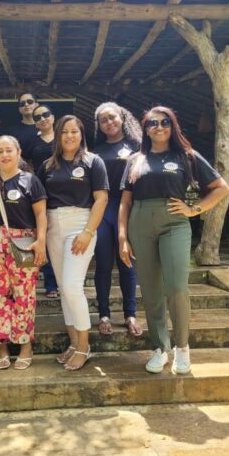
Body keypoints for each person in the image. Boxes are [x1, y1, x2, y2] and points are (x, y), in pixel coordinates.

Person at [119, 106, 229, 375]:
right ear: (145, 129)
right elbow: (125, 202)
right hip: (140, 222)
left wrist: (194, 209)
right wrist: (122, 237)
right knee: (151, 289)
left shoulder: (186, 156)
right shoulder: (136, 159)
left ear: (173, 125)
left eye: (165, 121)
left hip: (174, 223)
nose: (159, 127)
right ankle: (160, 347)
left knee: (177, 287)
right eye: (152, 123)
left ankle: (182, 347)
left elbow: (221, 188)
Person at [38, 115, 108, 371]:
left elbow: (101, 199)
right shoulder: (47, 165)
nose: (69, 136)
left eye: (74, 131)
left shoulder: (93, 162)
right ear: (57, 135)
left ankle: (84, 346)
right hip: (54, 225)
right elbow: (40, 203)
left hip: (81, 224)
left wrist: (88, 231)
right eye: (64, 132)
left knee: (71, 286)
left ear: (81, 135)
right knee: (63, 288)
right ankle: (72, 342)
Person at [0, 135, 47, 369]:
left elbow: (40, 213)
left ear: (18, 153)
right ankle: (2, 345)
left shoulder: (30, 180)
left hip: (23, 243)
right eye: (0, 151)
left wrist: (41, 241)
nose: (5, 155)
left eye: (9, 150)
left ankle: (25, 344)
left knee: (24, 294)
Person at [93, 102, 142, 337]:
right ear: (99, 126)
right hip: (104, 210)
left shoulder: (138, 146)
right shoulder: (96, 151)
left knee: (127, 264)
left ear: (122, 117)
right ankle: (103, 314)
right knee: (103, 264)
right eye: (104, 120)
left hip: (129, 209)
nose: (109, 122)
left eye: (112, 118)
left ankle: (130, 314)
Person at [25, 104, 58, 298]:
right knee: (43, 236)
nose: (42, 119)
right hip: (39, 193)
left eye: (46, 114)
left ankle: (64, 281)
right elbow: (27, 163)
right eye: (38, 117)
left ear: (53, 117)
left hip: (64, 192)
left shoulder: (64, 137)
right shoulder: (31, 141)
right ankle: (51, 283)